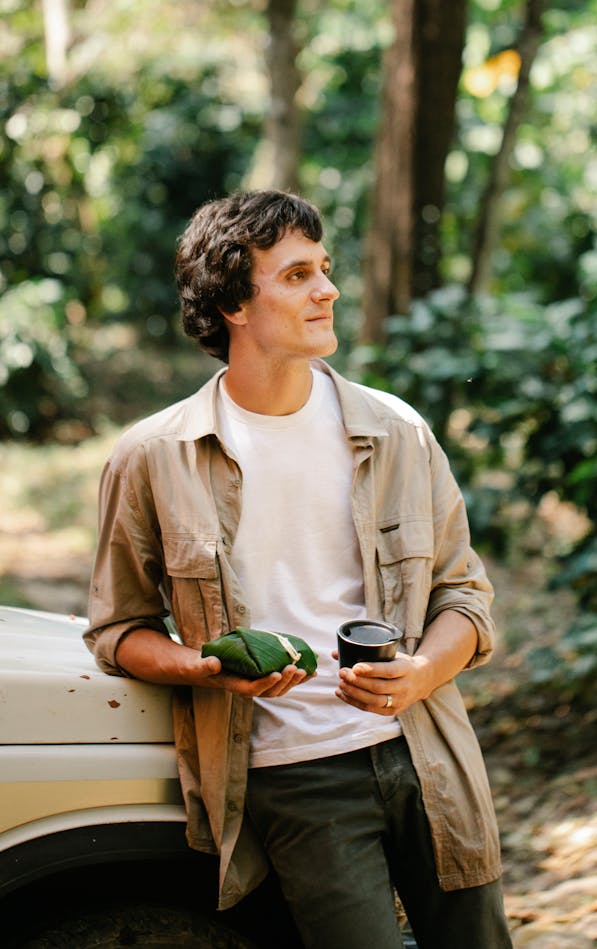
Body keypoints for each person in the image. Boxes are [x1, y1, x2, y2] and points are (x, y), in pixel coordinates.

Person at [84, 189, 514, 949]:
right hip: (293, 773)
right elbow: (116, 630)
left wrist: (419, 672)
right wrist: (209, 668)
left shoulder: (397, 431)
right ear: (233, 304)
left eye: (324, 268)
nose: (328, 289)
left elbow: (466, 597)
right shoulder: (154, 456)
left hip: (427, 754)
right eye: (296, 275)